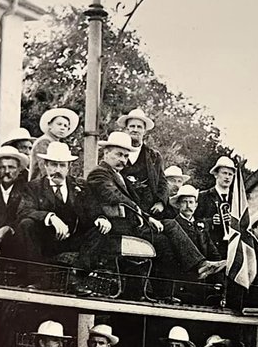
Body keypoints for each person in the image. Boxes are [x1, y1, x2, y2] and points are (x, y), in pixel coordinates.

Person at [86, 133, 225, 290]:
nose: (123, 160)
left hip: (130, 224)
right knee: (169, 229)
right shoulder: (99, 173)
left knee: (166, 237)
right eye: (119, 154)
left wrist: (148, 217)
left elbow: (131, 200)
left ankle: (171, 287)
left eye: (126, 156)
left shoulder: (117, 175)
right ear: (106, 153)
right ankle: (195, 270)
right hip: (115, 226)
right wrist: (144, 216)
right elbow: (116, 197)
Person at [16, 142, 112, 290]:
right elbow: (24, 211)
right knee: (26, 224)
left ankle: (78, 277)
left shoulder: (80, 186)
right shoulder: (33, 187)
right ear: (45, 166)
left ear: (68, 167)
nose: (57, 170)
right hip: (46, 241)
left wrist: (101, 218)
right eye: (53, 165)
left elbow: (94, 209)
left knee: (101, 229)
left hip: (73, 240)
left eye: (62, 166)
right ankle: (37, 279)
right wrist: (50, 217)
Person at [0, 146, 29, 278]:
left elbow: (26, 213)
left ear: (19, 170)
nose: (6, 171)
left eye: (11, 167)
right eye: (2, 167)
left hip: (15, 238)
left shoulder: (27, 190)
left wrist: (8, 228)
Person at [116, 108, 165, 215]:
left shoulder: (154, 156)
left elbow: (162, 182)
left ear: (144, 131)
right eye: (132, 126)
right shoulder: (116, 153)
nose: (135, 130)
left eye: (139, 127)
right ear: (126, 129)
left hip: (149, 209)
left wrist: (160, 202)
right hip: (124, 208)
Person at [195, 156, 238, 257]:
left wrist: (234, 221)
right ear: (216, 175)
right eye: (224, 173)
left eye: (230, 174)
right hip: (210, 248)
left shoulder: (236, 199)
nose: (227, 177)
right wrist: (210, 222)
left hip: (231, 248)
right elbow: (195, 222)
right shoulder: (203, 196)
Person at [29, 107, 78, 182]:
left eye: (65, 126)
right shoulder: (43, 142)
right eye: (59, 124)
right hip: (40, 184)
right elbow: (45, 168)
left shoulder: (58, 144)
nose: (62, 128)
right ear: (49, 125)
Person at [171, 185, 219, 260]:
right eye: (184, 202)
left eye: (191, 202)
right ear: (178, 205)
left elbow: (211, 248)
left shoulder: (201, 223)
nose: (188, 206)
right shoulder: (174, 224)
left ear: (196, 205)